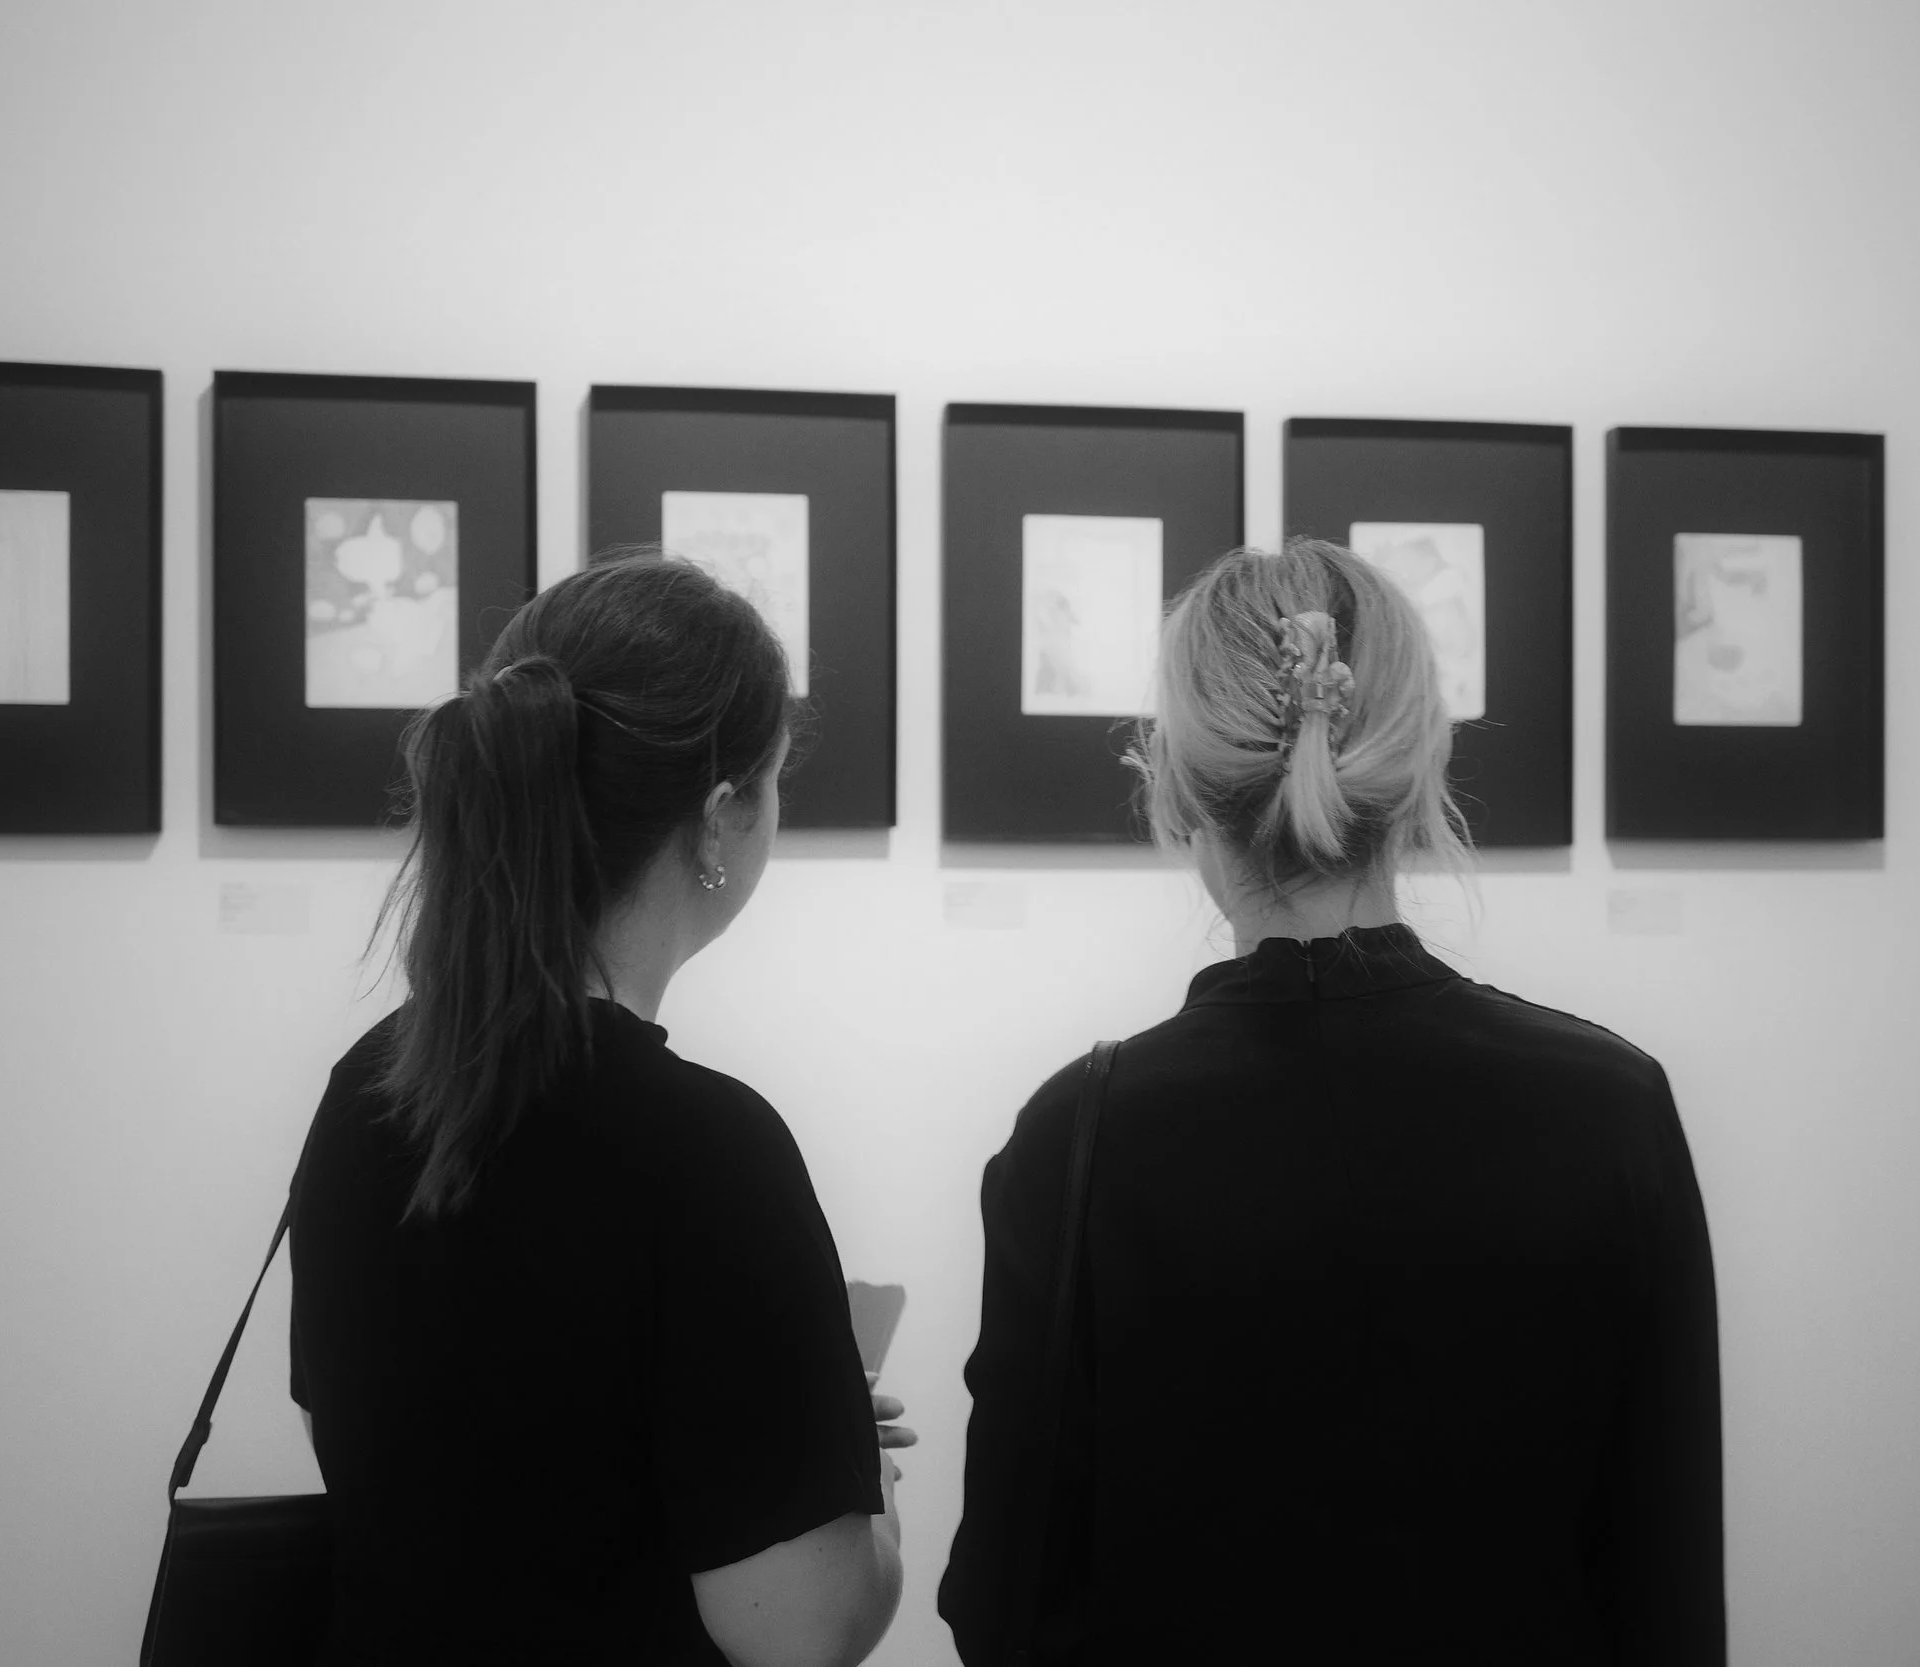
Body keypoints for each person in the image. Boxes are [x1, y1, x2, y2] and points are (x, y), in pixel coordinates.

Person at [939, 539, 1724, 1663]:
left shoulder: (1082, 1131)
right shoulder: (1610, 1105)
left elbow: (1003, 1604)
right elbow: (1667, 1591)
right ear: (1422, 764)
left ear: (1172, 784)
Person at [288, 555, 911, 1666]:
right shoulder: (709, 1150)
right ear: (720, 819)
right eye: (773, 782)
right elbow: (803, 1629)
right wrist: (863, 1488)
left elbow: (412, 1461)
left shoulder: (367, 1087)